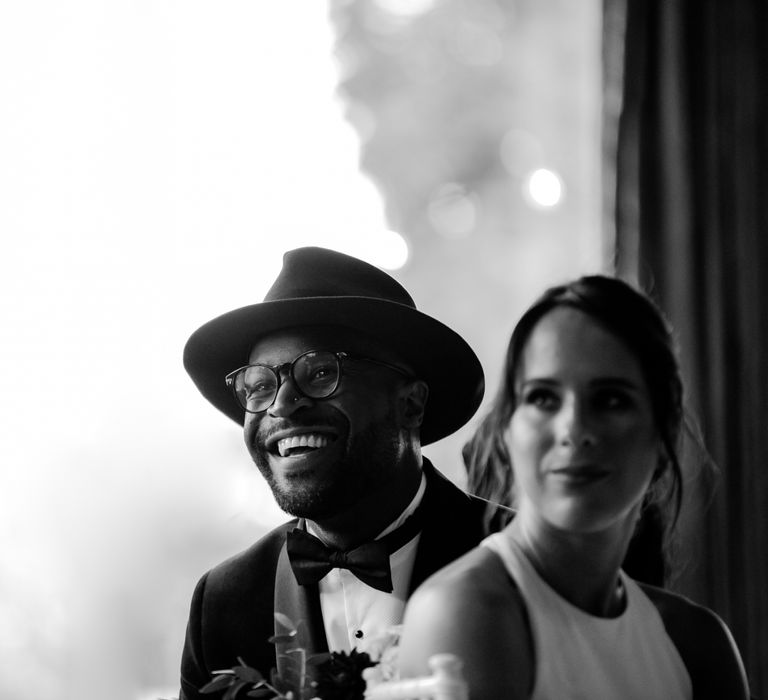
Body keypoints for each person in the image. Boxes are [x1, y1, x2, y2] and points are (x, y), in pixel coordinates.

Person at [397, 275, 750, 699]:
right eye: (544, 398)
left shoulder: (697, 642)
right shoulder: (464, 611)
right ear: (508, 429)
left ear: (662, 431)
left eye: (611, 399)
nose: (575, 429)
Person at [178, 246, 505, 699]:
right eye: (259, 386)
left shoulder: (517, 560)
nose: (283, 404)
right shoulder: (223, 602)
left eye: (320, 372)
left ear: (411, 403)